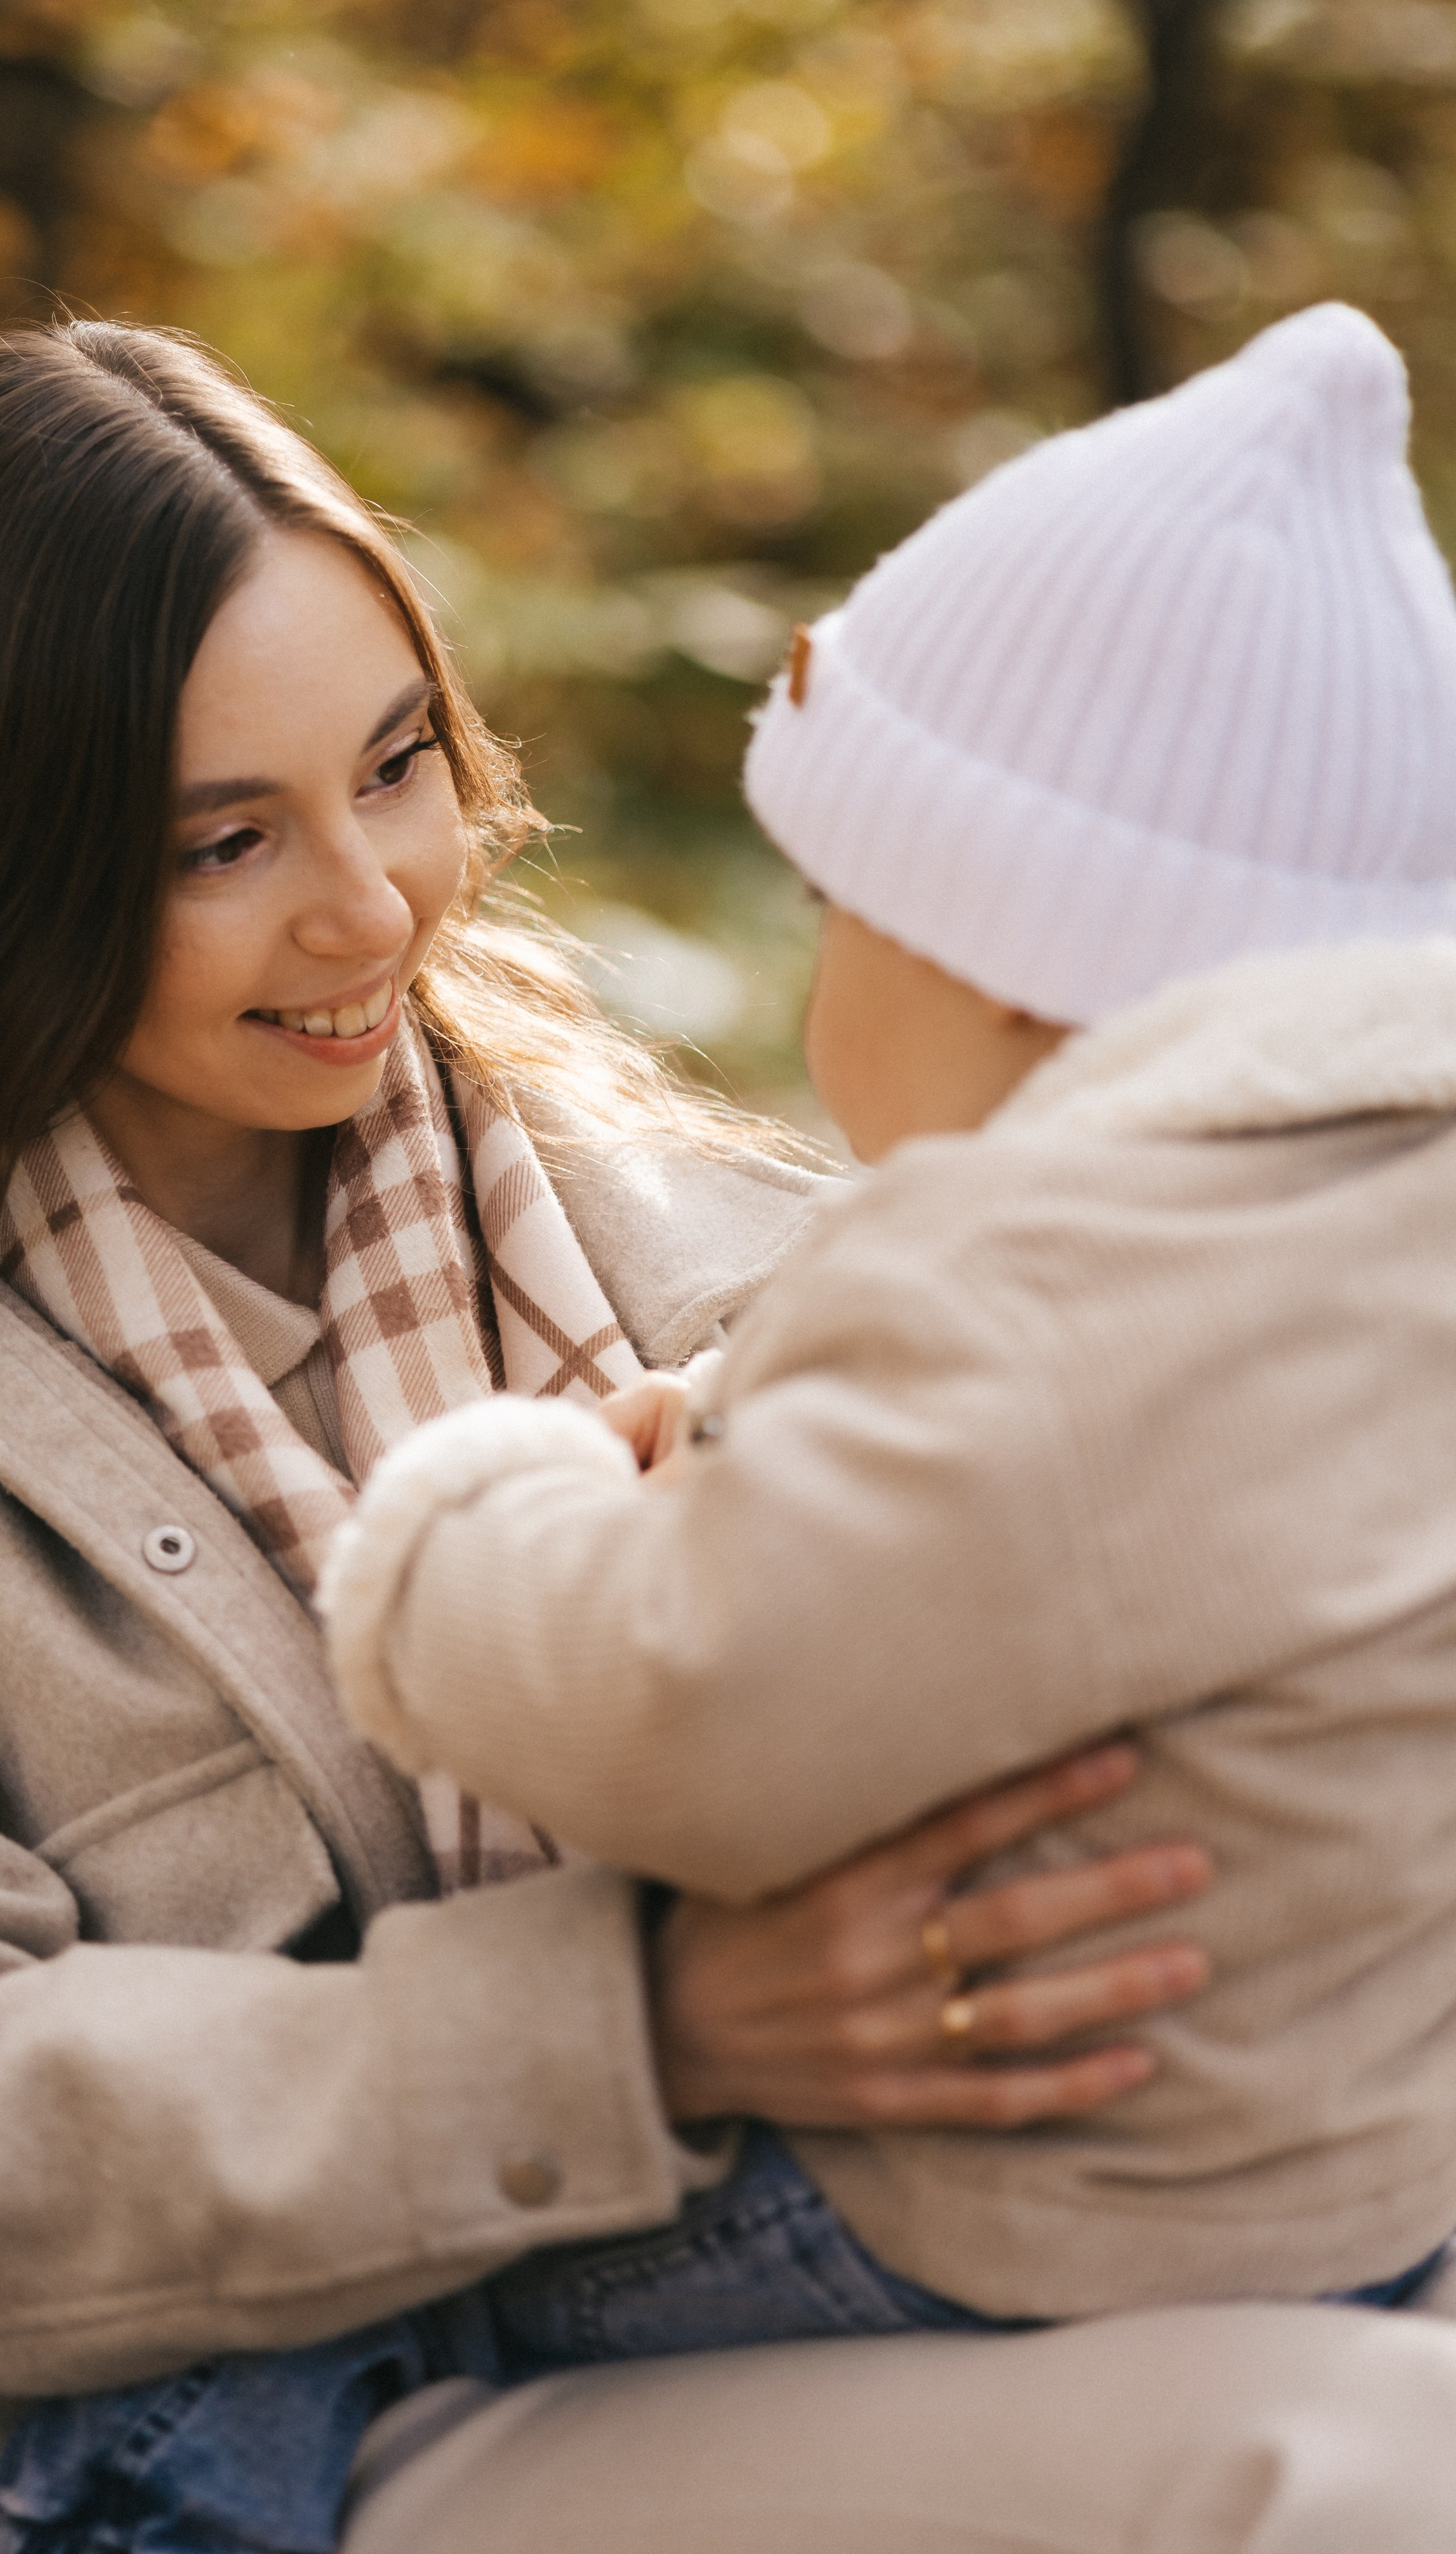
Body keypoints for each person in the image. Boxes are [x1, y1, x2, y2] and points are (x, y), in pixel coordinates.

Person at [0, 317, 1449, 2554]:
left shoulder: (646, 1194)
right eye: (218, 842)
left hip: (852, 2285)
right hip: (274, 2440)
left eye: (394, 765)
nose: (370, 905)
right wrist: (642, 2030)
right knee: (1350, 2465)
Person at [319, 302, 1456, 2382]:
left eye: (846, 906)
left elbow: (690, 1716)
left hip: (1017, 2218)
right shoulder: (1385, 1231)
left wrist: (503, 1502)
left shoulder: (1038, 1288)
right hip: (1359, 2181)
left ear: (1016, 954)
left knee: (314, 2343)